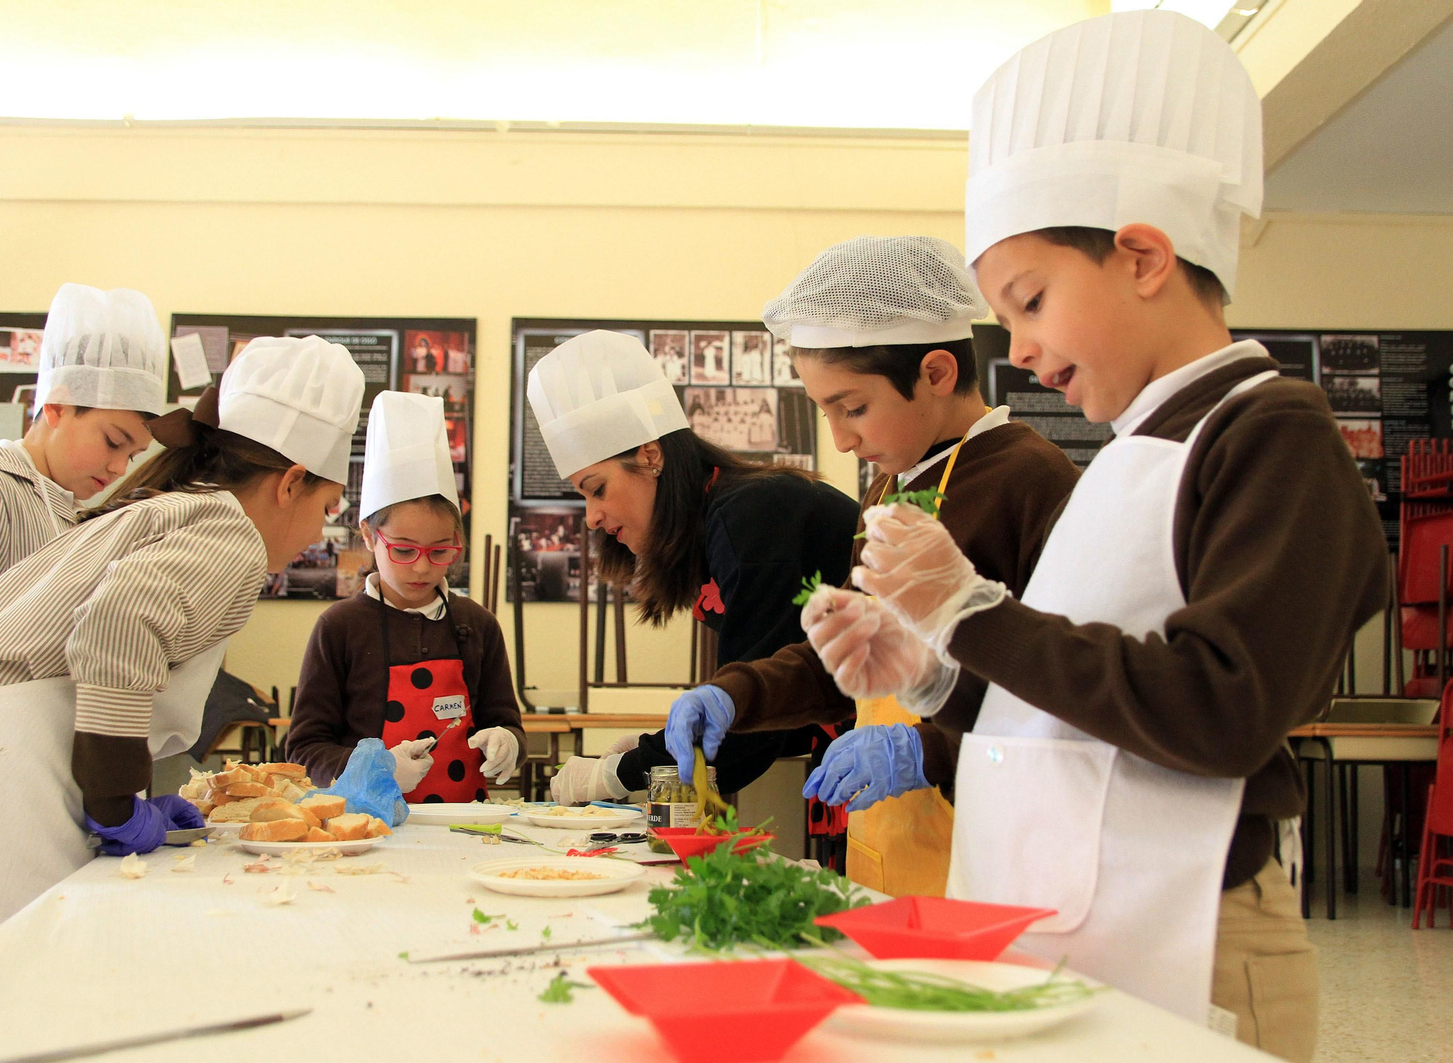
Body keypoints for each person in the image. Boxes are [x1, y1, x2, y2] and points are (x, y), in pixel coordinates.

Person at [800, 13, 1387, 1060]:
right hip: (1061, 916)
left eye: (1029, 302)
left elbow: (1219, 709)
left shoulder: (1269, 431)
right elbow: (1069, 722)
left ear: (1144, 256)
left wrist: (970, 610)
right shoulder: (1122, 454)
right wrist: (941, 676)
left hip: (1196, 930)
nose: (1018, 351)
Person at [0, 336, 365, 1011]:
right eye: (326, 511)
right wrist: (118, 799)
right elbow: (119, 626)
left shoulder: (172, 508)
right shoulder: (231, 537)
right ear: (291, 481)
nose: (313, 537)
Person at [664, 235, 1077, 897]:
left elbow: (1059, 700)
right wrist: (736, 694)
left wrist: (924, 751)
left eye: (852, 407)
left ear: (937, 373)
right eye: (825, 410)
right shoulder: (888, 490)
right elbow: (852, 661)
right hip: (885, 847)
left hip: (989, 859)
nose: (841, 438)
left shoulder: (1029, 481)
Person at [527, 330, 858, 809]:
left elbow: (748, 725)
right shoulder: (715, 523)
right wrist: (657, 747)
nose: (591, 517)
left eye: (596, 488)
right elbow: (772, 711)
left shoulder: (750, 517)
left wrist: (623, 772)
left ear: (650, 455)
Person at [287, 390, 525, 799]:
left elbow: (505, 721)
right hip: (366, 828)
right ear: (367, 535)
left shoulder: (477, 624)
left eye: (440, 551)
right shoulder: (340, 626)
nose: (421, 567)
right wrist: (373, 768)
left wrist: (509, 743)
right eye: (403, 549)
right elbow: (304, 751)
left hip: (464, 825)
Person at [0, 284, 168, 644]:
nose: (121, 468)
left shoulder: (67, 514)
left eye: (133, 455)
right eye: (113, 442)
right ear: (57, 406)